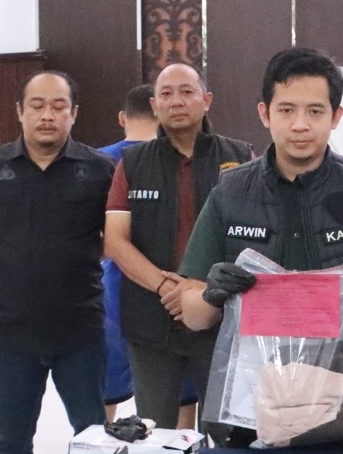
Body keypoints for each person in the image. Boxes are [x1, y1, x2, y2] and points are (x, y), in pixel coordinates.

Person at [177, 46, 343, 449]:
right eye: (286, 110)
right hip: (256, 410)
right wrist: (211, 293)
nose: (300, 125)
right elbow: (193, 314)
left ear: (336, 116)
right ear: (265, 113)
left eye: (315, 111)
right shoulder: (229, 194)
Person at [0, 71, 116, 454]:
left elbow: (112, 238)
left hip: (80, 329)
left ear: (74, 114)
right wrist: (19, 260)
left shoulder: (100, 170)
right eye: (37, 105)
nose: (47, 115)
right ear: (20, 111)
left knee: (92, 436)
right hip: (10, 331)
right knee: (10, 440)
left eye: (58, 106)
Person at [103, 65, 252, 432]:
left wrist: (199, 289)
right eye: (166, 94)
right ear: (155, 105)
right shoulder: (132, 164)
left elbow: (254, 237)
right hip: (150, 320)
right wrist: (166, 286)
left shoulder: (240, 158)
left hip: (222, 318)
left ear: (207, 100)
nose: (176, 101)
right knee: (156, 432)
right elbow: (115, 240)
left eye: (186, 91)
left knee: (229, 432)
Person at [97, 83, 156, 423]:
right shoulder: (179, 159)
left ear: (122, 118)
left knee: (107, 384)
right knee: (178, 394)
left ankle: (100, 441)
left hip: (111, 282)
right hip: (168, 283)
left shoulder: (96, 159)